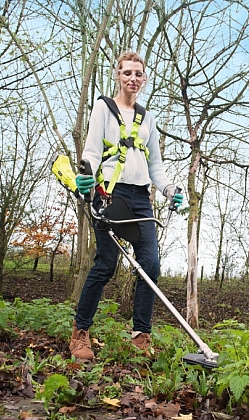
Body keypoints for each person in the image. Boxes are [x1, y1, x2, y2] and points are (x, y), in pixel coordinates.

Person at [70, 51, 183, 360]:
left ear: (144, 79)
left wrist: (170, 190)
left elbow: (156, 167)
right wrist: (85, 176)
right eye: (127, 72)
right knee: (106, 263)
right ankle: (80, 333)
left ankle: (141, 336)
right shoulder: (103, 108)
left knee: (150, 265)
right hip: (109, 193)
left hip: (141, 198)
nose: (133, 78)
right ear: (117, 76)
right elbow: (92, 151)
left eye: (138, 73)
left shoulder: (148, 118)